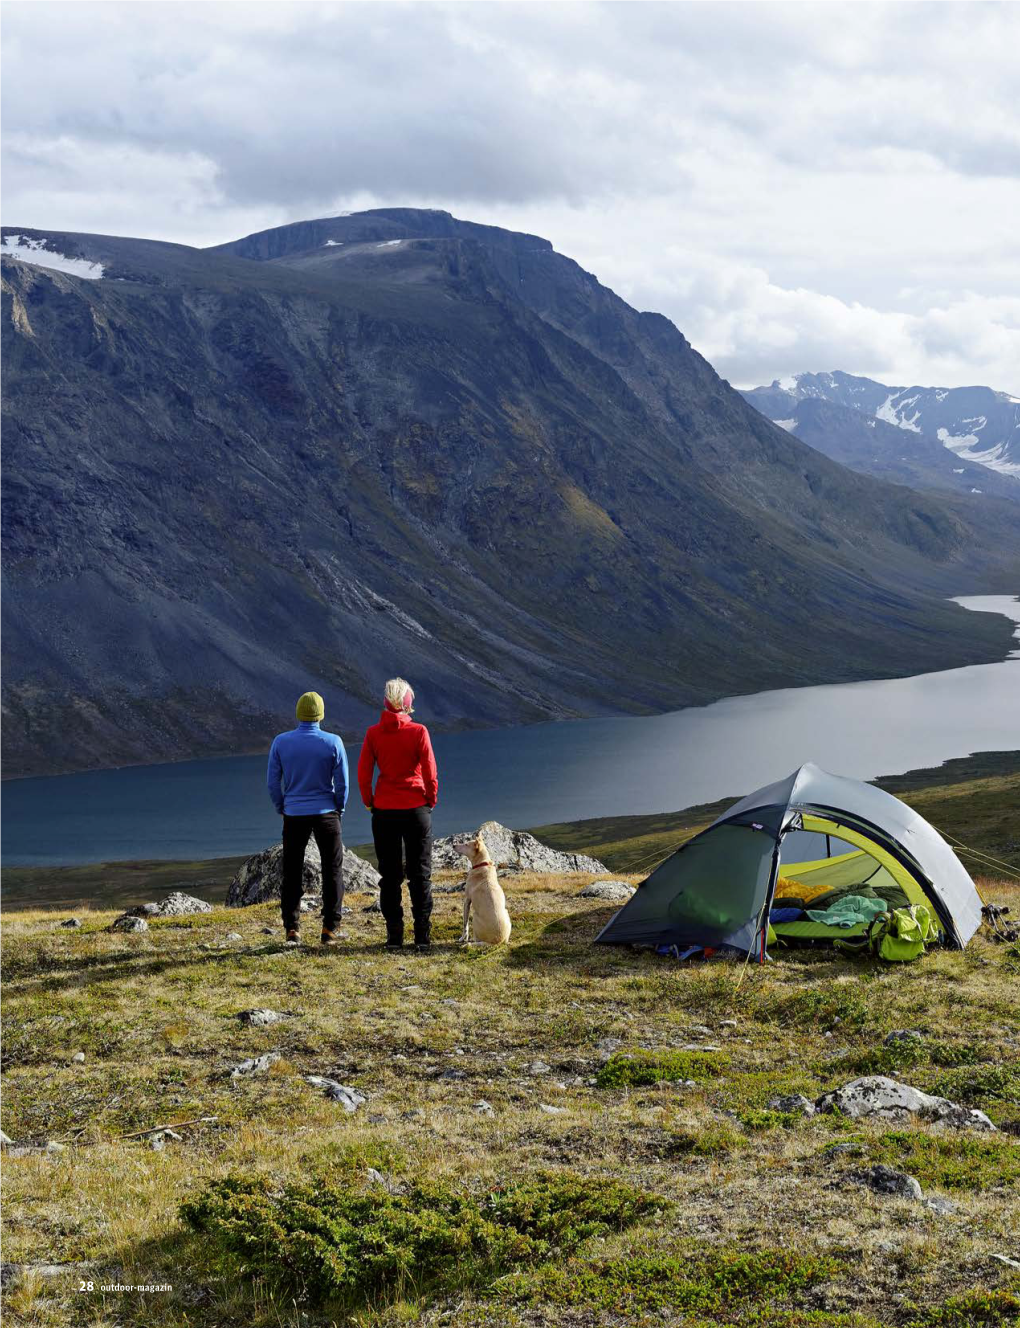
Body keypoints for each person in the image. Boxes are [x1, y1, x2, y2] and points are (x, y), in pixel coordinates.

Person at [358, 677, 438, 951]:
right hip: (416, 808)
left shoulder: (373, 734)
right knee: (420, 874)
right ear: (408, 704)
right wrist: (430, 799)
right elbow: (429, 770)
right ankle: (422, 937)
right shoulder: (419, 731)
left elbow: (364, 773)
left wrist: (370, 802)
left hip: (385, 811)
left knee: (389, 876)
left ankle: (394, 937)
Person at [267, 691, 348, 946]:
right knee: (332, 870)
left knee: (292, 872)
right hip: (327, 814)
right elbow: (343, 783)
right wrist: (339, 808)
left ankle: (292, 928)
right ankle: (330, 929)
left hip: (294, 814)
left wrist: (282, 806)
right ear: (321, 715)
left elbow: (272, 782)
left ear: (298, 713)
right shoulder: (333, 742)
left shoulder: (281, 742)